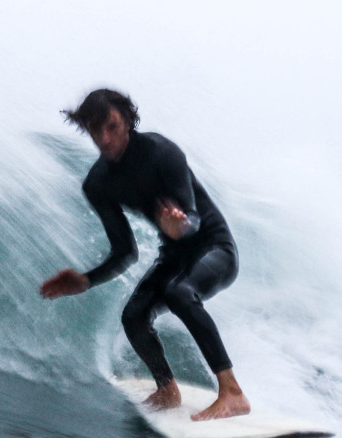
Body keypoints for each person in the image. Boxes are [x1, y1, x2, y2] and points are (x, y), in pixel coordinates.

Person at [40, 88, 250, 421]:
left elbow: (193, 218)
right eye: (96, 130)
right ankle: (167, 389)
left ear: (127, 122)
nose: (105, 138)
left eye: (111, 126)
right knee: (134, 316)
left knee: (179, 292)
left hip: (215, 247)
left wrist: (179, 227)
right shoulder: (97, 184)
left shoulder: (162, 152)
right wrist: (86, 280)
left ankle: (233, 392)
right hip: (174, 255)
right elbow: (125, 252)